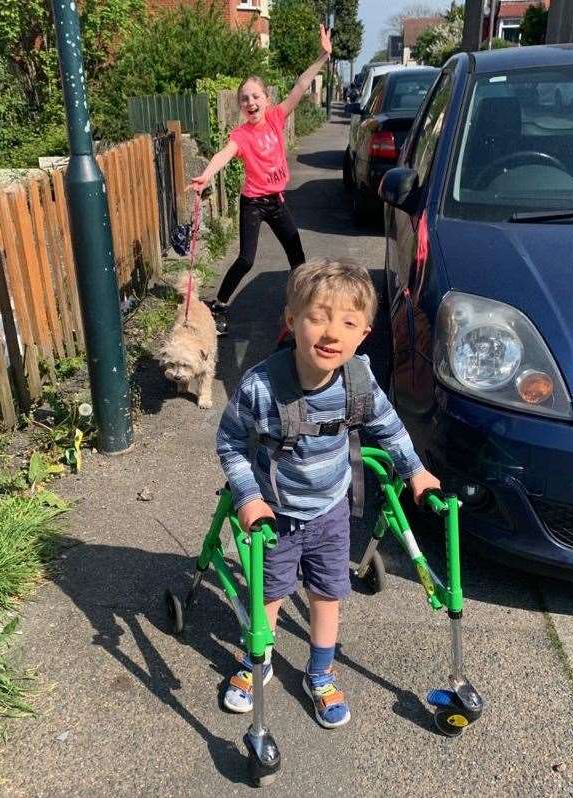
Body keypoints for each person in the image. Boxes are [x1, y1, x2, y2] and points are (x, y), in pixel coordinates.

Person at [216, 258, 441, 729]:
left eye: (347, 322)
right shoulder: (261, 386)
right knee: (269, 596)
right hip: (274, 515)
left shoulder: (358, 382)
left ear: (363, 334)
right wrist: (246, 496)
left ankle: (319, 673)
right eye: (317, 316)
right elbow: (231, 442)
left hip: (330, 512)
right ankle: (257, 661)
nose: (330, 332)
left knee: (327, 595)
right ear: (291, 321)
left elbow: (390, 428)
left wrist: (416, 471)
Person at [188, 25, 333, 336]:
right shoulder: (241, 135)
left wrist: (323, 56)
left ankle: (302, 306)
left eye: (255, 96)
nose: (250, 102)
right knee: (245, 259)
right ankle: (220, 306)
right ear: (240, 106)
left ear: (267, 99)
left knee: (297, 253)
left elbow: (301, 85)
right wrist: (206, 175)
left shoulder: (276, 119)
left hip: (276, 202)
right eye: (244, 99)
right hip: (253, 202)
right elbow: (224, 155)